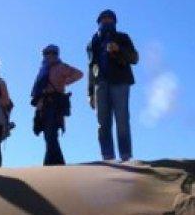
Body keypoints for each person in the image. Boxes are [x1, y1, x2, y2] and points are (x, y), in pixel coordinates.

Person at [87, 9, 139, 161]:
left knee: (122, 120)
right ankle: (107, 157)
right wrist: (90, 92)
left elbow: (134, 58)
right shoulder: (93, 42)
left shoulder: (122, 37)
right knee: (102, 123)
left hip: (120, 82)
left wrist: (119, 49)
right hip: (100, 84)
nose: (107, 21)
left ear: (115, 22)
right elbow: (91, 67)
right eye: (104, 19)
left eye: (110, 19)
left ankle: (125, 156)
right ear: (99, 22)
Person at [31, 45, 83, 166]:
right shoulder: (43, 69)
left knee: (51, 134)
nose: (49, 56)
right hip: (43, 104)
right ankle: (54, 165)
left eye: (52, 53)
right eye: (46, 53)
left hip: (55, 103)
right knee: (47, 134)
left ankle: (54, 165)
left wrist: (65, 82)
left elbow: (79, 74)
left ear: (56, 54)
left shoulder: (61, 66)